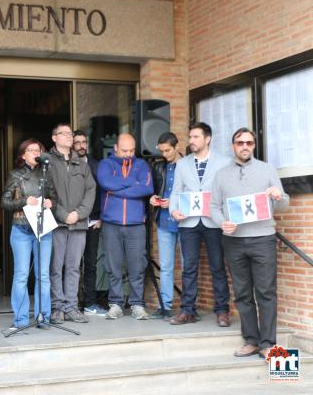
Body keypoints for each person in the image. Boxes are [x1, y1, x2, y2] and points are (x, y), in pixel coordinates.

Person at [211, 128, 289, 358]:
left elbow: (284, 204)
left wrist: (278, 196)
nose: (245, 146)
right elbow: (213, 206)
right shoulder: (221, 175)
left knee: (266, 292)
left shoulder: (267, 170)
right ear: (233, 145)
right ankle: (251, 340)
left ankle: (268, 344)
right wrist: (222, 222)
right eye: (240, 142)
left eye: (249, 143)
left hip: (263, 239)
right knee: (243, 294)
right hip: (233, 241)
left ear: (254, 145)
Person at [169, 122, 231, 327]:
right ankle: (188, 310)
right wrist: (173, 210)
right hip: (188, 221)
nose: (191, 141)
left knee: (218, 267)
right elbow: (176, 192)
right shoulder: (182, 164)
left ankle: (222, 311)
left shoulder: (224, 162)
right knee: (189, 267)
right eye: (190, 137)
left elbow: (227, 191)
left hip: (214, 221)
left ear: (207, 138)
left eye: (195, 137)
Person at [97, 133, 154, 320]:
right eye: (124, 150)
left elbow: (146, 188)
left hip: (136, 224)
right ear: (115, 148)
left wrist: (116, 190)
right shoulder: (106, 165)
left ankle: (137, 305)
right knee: (113, 266)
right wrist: (132, 184)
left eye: (131, 150)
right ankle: (115, 304)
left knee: (137, 265)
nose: (128, 154)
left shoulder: (142, 165)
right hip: (111, 224)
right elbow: (105, 182)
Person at [1, 139, 57, 329]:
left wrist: (51, 203)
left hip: (42, 229)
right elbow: (5, 202)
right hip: (22, 228)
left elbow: (54, 199)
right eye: (30, 150)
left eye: (38, 149)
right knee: (21, 275)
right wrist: (24, 201)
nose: (35, 152)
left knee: (43, 275)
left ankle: (43, 317)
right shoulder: (15, 175)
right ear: (23, 155)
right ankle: (21, 319)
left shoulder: (46, 174)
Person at [48, 123, 96, 324]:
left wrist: (78, 213)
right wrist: (62, 214)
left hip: (78, 223)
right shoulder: (47, 162)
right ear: (54, 138)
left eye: (70, 134)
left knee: (74, 267)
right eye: (64, 134)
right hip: (57, 224)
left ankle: (72, 307)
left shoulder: (82, 164)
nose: (69, 137)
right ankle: (57, 307)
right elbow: (45, 193)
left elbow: (90, 191)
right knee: (56, 267)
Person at [149, 132, 183, 319]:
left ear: (177, 146)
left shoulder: (187, 166)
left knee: (188, 265)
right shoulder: (158, 166)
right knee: (166, 265)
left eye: (168, 150)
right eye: (162, 151)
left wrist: (175, 203)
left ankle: (188, 307)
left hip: (185, 221)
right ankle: (166, 305)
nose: (165, 154)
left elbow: (196, 194)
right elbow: (154, 189)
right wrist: (153, 198)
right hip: (163, 220)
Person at [72, 131, 106, 316]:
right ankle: (72, 303)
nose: (81, 145)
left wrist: (101, 217)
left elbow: (103, 193)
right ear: (72, 145)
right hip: (74, 222)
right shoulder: (67, 165)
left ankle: (90, 302)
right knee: (73, 264)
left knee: (91, 264)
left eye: (83, 142)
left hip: (93, 221)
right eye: (77, 142)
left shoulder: (97, 165)